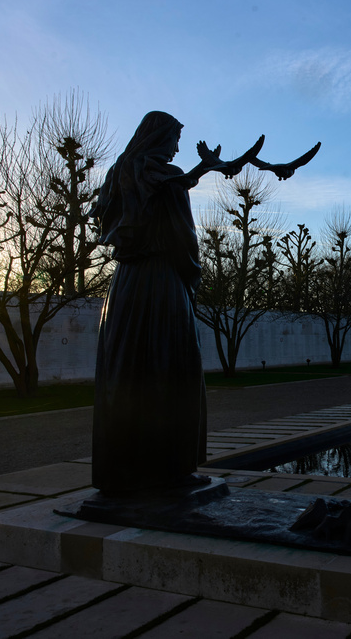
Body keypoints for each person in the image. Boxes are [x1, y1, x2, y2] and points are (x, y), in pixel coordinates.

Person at [90, 111, 210, 496]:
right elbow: (183, 239)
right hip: (162, 283)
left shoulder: (118, 176)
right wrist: (191, 276)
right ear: (160, 138)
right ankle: (171, 470)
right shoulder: (169, 179)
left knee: (126, 372)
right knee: (171, 369)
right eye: (175, 138)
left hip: (124, 287)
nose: (177, 147)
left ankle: (122, 471)